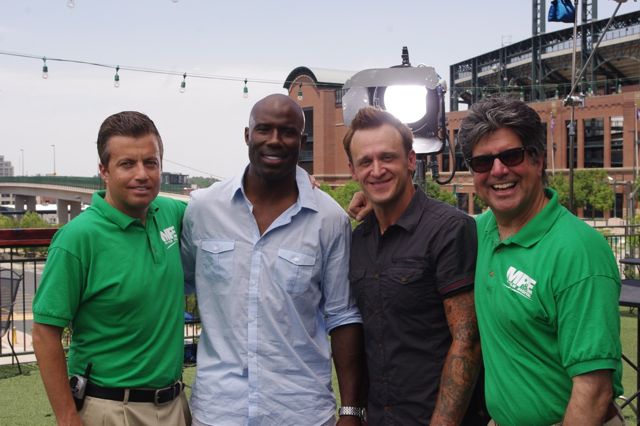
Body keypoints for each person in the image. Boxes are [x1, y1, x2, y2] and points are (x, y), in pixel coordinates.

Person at [180, 93, 365, 426]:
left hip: (300, 411)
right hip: (218, 412)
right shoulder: (203, 209)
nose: (275, 140)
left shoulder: (329, 220)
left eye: (287, 131)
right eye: (264, 129)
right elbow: (173, 285)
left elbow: (342, 316)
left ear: (302, 139)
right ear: (247, 135)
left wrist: (350, 410)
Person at [458, 96, 624, 426]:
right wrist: (374, 205)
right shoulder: (477, 232)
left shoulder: (578, 251)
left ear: (538, 160)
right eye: (482, 162)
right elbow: (423, 223)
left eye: (511, 155)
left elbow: (593, 391)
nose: (498, 170)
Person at [32, 111, 191, 426]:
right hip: (110, 409)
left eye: (151, 162)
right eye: (127, 164)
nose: (142, 174)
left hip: (174, 404)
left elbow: (227, 206)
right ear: (104, 171)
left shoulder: (170, 212)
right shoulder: (78, 238)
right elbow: (44, 334)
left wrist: (297, 183)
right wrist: (67, 417)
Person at [343, 106, 485, 425]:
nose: (376, 169)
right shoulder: (358, 240)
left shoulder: (449, 229)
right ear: (353, 170)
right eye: (365, 161)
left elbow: (468, 342)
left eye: (387, 157)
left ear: (410, 160)